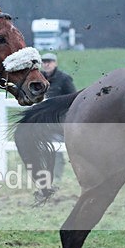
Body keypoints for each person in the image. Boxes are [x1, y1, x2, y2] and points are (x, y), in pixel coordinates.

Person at [39, 52, 77, 181]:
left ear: (55, 63)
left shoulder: (64, 78)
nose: (46, 64)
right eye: (44, 62)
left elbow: (73, 98)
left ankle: (56, 176)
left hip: (58, 120)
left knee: (55, 147)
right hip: (42, 120)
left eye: (49, 61)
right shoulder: (38, 77)